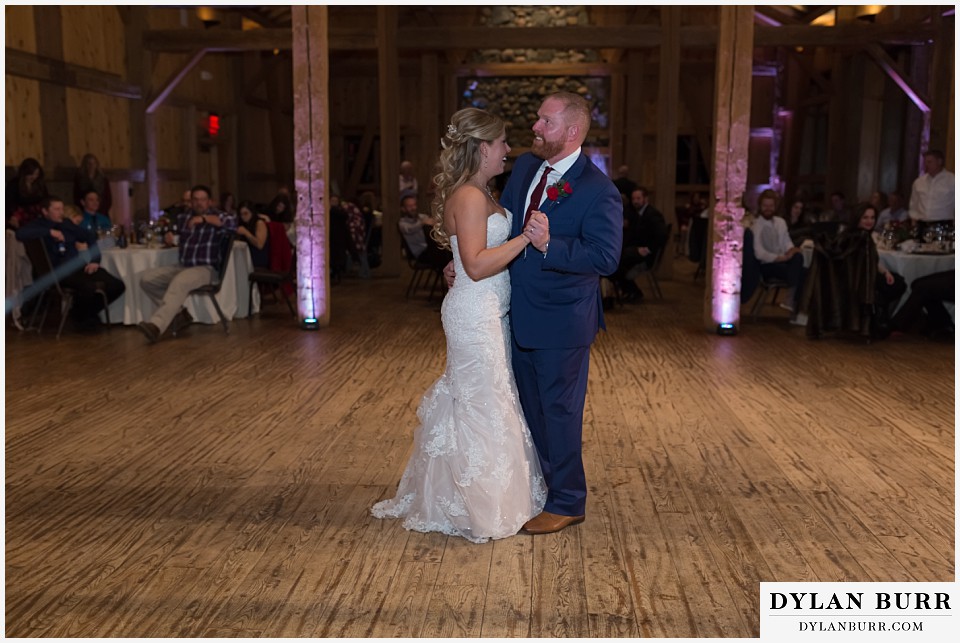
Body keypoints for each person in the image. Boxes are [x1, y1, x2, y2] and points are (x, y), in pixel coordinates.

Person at [372, 108, 547, 543]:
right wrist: (524, 237)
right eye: (503, 143)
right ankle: (481, 506)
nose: (508, 150)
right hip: (475, 314)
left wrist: (461, 261)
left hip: (488, 310)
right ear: (484, 147)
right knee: (483, 406)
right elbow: (476, 263)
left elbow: (465, 256)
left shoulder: (479, 192)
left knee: (482, 402)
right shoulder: (470, 197)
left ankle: (468, 495)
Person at [501, 91, 623, 534]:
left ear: (571, 132)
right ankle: (543, 489)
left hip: (562, 322)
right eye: (537, 118)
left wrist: (551, 244)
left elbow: (606, 258)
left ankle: (569, 501)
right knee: (530, 408)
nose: (534, 127)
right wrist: (466, 258)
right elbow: (504, 223)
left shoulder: (599, 191)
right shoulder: (527, 168)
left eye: (545, 122)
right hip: (516, 312)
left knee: (560, 413)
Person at [136, 185, 236, 343]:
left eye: (203, 199)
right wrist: (170, 238)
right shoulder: (184, 217)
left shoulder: (218, 215)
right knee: (147, 279)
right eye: (195, 199)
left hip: (206, 269)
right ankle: (179, 314)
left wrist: (203, 219)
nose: (199, 203)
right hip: (183, 266)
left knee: (180, 282)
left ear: (209, 202)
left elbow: (231, 223)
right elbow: (179, 238)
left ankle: (156, 326)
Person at [15, 195, 124, 330]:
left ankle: (83, 314)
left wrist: (95, 261)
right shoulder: (38, 225)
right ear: (45, 211)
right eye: (56, 209)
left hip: (78, 266)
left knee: (116, 285)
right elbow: (20, 234)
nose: (61, 212)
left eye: (62, 208)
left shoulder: (66, 224)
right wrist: (49, 232)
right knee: (87, 287)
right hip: (56, 271)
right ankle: (84, 318)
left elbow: (90, 237)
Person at [751, 189, 806, 322]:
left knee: (799, 258)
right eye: (765, 206)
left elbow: (786, 242)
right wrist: (781, 258)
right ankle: (797, 308)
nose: (768, 209)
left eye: (771, 206)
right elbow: (759, 252)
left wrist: (792, 250)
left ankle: (792, 301)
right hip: (767, 265)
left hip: (783, 261)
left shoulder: (780, 222)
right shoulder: (756, 225)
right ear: (760, 206)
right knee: (803, 274)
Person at [854, 202, 906, 333]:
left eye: (872, 218)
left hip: (869, 273)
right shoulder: (855, 237)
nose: (869, 221)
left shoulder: (868, 236)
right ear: (858, 218)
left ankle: (881, 317)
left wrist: (885, 272)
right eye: (865, 217)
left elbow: (873, 261)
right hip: (858, 278)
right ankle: (879, 320)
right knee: (893, 284)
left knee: (897, 281)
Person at [610, 186, 668, 303]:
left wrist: (648, 249)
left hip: (647, 255)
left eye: (638, 198)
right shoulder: (639, 214)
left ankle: (630, 291)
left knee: (618, 261)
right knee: (617, 257)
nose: (635, 201)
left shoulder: (652, 214)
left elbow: (662, 235)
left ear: (645, 199)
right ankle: (630, 291)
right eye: (633, 199)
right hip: (637, 250)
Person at [398, 193, 452, 272]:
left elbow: (431, 220)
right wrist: (423, 223)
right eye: (409, 206)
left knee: (449, 248)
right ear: (403, 208)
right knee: (446, 252)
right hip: (421, 254)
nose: (413, 208)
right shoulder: (402, 223)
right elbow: (409, 229)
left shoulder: (421, 217)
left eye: (414, 205)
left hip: (431, 250)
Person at [909, 149, 954, 224]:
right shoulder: (919, 182)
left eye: (929, 162)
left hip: (944, 223)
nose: (926, 165)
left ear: (939, 162)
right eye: (925, 162)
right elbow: (914, 204)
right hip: (922, 223)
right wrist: (914, 219)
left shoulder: (952, 181)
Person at [6, 157, 49, 228]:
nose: (34, 177)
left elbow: (46, 199)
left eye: (36, 174)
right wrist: (12, 216)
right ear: (24, 173)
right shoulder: (14, 184)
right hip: (19, 214)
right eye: (31, 174)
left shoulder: (40, 183)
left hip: (37, 214)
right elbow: (9, 202)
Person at [235, 200, 269, 268]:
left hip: (258, 260)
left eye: (246, 213)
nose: (243, 217)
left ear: (252, 212)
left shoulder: (259, 223)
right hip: (246, 259)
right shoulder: (244, 224)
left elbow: (260, 245)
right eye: (241, 214)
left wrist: (246, 233)